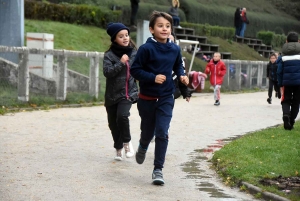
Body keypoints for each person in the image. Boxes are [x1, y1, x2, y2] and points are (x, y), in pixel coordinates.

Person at [130, 11, 189, 185]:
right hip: (147, 97)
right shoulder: (146, 49)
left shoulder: (175, 48)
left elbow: (178, 66)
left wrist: (182, 76)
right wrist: (152, 77)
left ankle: (158, 169)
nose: (164, 29)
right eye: (160, 26)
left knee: (162, 132)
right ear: (151, 29)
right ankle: (142, 144)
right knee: (148, 132)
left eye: (167, 26)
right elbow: (135, 70)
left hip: (166, 97)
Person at [103, 22, 138, 161]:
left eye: (127, 35)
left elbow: (140, 69)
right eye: (121, 36)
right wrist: (121, 63)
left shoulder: (134, 53)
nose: (125, 38)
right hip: (112, 95)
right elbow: (107, 73)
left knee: (122, 116)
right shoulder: (109, 56)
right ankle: (118, 147)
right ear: (114, 39)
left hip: (127, 93)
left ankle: (127, 142)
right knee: (113, 124)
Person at [277, 32, 300, 130]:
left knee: (285, 100)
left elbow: (279, 71)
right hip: (299, 83)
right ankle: (291, 120)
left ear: (286, 41)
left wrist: (280, 83)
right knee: (296, 102)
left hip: (286, 82)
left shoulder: (282, 56)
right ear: (298, 41)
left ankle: (286, 115)